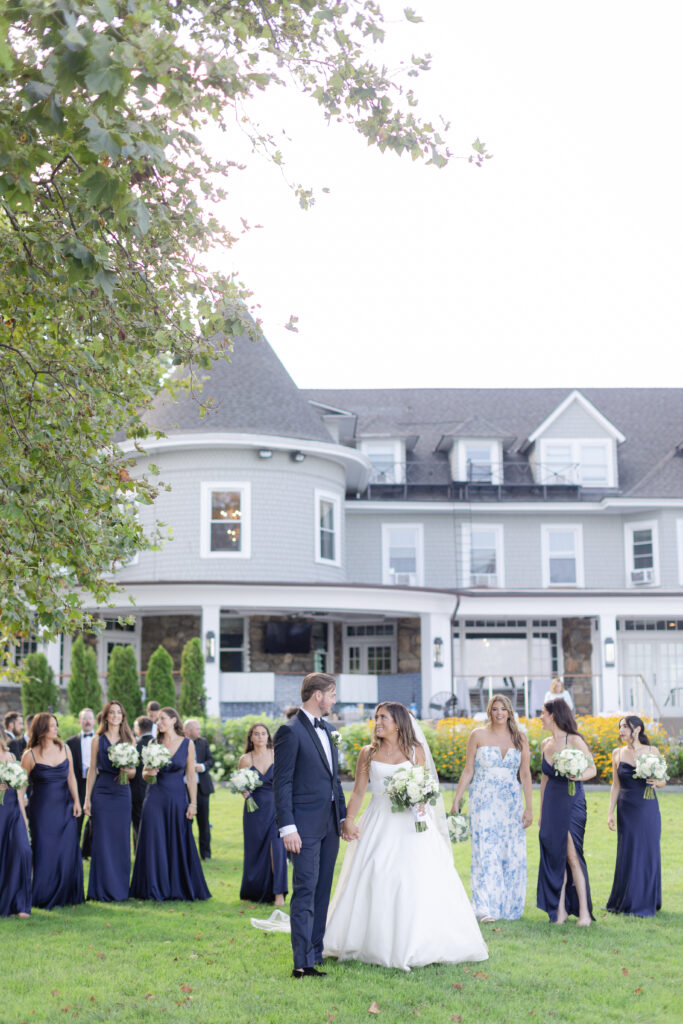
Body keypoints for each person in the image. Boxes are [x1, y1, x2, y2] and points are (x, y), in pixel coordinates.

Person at [324, 701, 488, 970]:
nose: (377, 722)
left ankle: (419, 941)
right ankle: (371, 941)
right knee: (376, 875)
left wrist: (419, 799)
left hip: (411, 825)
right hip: (378, 822)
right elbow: (357, 792)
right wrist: (349, 820)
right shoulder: (368, 753)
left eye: (383, 717)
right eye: (376, 717)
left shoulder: (416, 751)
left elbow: (425, 786)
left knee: (414, 879)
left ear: (398, 722)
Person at [273, 672, 347, 979]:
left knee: (322, 890)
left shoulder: (328, 729)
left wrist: (342, 817)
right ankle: (301, 963)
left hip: (329, 824)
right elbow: (282, 782)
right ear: (318, 695)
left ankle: (315, 952)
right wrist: (287, 827)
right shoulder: (289, 732)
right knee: (305, 888)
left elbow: (334, 780)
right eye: (332, 694)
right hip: (302, 827)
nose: (334, 700)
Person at [450, 694, 533, 921]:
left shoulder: (520, 739)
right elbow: (468, 771)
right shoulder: (477, 735)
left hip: (511, 804)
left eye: (503, 709)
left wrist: (529, 808)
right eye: (495, 709)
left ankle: (508, 906)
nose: (499, 713)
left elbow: (525, 775)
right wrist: (457, 799)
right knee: (485, 850)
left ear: (509, 712)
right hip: (483, 801)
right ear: (489, 711)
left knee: (510, 853)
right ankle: (484, 906)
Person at [129, 707, 210, 901]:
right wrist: (151, 773)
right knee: (154, 841)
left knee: (179, 840)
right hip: (155, 798)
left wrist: (193, 804)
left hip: (177, 799)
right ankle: (154, 887)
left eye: (163, 719)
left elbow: (190, 775)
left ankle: (178, 886)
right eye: (157, 720)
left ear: (174, 720)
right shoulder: (153, 743)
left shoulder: (187, 744)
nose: (159, 723)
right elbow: (144, 775)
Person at [537, 700, 596, 926]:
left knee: (572, 856)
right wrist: (542, 811)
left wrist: (577, 776)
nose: (540, 717)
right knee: (555, 856)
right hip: (552, 804)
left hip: (572, 802)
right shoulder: (545, 743)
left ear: (553, 715)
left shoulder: (575, 740)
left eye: (543, 713)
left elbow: (593, 769)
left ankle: (583, 913)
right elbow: (544, 780)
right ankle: (559, 910)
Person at [21, 713, 84, 909]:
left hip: (65, 806)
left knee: (66, 849)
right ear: (41, 729)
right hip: (42, 810)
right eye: (52, 726)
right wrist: (22, 816)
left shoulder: (64, 748)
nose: (56, 729)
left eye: (56, 725)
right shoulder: (29, 755)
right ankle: (42, 895)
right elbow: (20, 788)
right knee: (44, 850)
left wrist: (77, 801)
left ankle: (67, 894)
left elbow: (71, 777)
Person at [606, 715, 665, 916]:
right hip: (626, 808)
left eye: (625, 726)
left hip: (647, 807)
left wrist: (656, 783)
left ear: (637, 729)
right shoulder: (617, 753)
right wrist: (610, 812)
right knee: (628, 851)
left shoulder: (652, 751)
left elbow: (664, 780)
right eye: (620, 727)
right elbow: (616, 785)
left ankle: (645, 900)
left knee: (647, 851)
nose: (621, 730)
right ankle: (625, 900)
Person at [83, 700, 136, 901]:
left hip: (122, 792)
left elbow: (133, 772)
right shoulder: (97, 740)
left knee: (121, 840)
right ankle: (100, 890)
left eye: (119, 713)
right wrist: (87, 798)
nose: (115, 716)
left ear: (123, 717)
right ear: (105, 716)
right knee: (102, 840)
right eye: (112, 712)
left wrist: (127, 771)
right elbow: (92, 770)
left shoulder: (129, 740)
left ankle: (120, 890)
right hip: (103, 792)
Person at [238, 723, 287, 906]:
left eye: (263, 733)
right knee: (255, 850)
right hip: (254, 810)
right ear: (251, 738)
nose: (260, 737)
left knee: (277, 849)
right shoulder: (245, 759)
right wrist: (244, 792)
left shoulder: (277, 754)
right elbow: (241, 783)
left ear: (268, 736)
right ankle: (253, 891)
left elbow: (285, 780)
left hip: (276, 808)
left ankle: (278, 894)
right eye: (256, 734)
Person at [0, 734, 31, 917]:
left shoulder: (10, 756)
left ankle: (20, 904)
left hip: (13, 810)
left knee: (22, 851)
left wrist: (24, 815)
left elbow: (20, 787)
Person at [184, 719, 214, 860]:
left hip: (202, 788)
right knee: (185, 823)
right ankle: (187, 854)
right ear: (188, 731)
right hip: (184, 788)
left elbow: (210, 760)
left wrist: (201, 767)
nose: (199, 731)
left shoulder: (203, 742)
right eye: (197, 729)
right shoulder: (181, 743)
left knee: (204, 823)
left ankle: (206, 854)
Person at [66, 708, 96, 842]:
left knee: (96, 819)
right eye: (84, 719)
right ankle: (74, 851)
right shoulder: (70, 742)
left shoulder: (101, 740)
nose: (87, 722)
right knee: (76, 819)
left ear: (94, 721)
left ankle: (88, 852)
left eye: (90, 718)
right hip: (77, 784)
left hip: (96, 784)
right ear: (79, 722)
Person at [131, 716, 154, 848]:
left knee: (137, 823)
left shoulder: (135, 746)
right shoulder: (159, 745)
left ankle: (138, 850)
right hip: (154, 789)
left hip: (137, 790)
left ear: (138, 729)